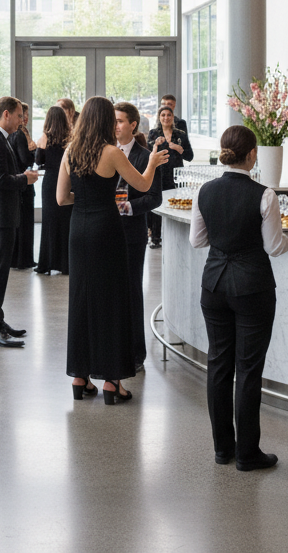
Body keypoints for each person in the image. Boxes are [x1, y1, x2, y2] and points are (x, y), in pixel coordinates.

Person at [189, 124, 288, 471]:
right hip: (252, 288)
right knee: (248, 370)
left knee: (218, 365)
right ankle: (247, 454)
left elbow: (197, 241)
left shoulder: (204, 190)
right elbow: (274, 246)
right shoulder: (265, 195)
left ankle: (223, 449)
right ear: (252, 155)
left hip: (214, 285)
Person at [58, 96, 167, 404]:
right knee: (111, 302)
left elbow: (61, 198)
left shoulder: (70, 151)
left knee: (81, 299)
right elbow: (143, 185)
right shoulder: (111, 152)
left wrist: (84, 200)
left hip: (78, 230)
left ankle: (80, 378)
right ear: (106, 120)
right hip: (106, 229)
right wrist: (153, 163)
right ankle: (111, 381)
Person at [0, 97, 39, 347]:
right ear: (6, 114)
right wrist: (25, 179)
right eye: (18, 116)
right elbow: (0, 180)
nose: (21, 121)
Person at [113, 101, 163, 372]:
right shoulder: (105, 152)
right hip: (106, 232)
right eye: (113, 121)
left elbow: (154, 197)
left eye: (120, 121)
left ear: (133, 125)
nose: (115, 126)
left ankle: (135, 354)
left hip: (131, 233)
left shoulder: (146, 157)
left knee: (132, 293)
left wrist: (128, 207)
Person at [146, 105, 193, 248]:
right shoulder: (154, 134)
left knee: (176, 203)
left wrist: (180, 149)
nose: (166, 118)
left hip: (176, 176)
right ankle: (155, 238)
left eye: (169, 115)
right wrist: (155, 146)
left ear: (173, 117)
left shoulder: (180, 134)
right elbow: (147, 155)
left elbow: (190, 156)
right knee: (157, 204)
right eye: (163, 115)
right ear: (159, 117)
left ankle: (176, 238)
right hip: (158, 174)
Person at [35, 105, 71, 275]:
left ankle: (47, 263)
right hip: (67, 180)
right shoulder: (70, 138)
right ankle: (66, 263)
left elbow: (38, 161)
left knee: (49, 222)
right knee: (66, 221)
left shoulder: (45, 138)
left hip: (50, 182)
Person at [9, 100, 37, 270]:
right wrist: (34, 151)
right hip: (23, 182)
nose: (25, 118)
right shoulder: (20, 134)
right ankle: (23, 259)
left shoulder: (12, 133)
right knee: (25, 223)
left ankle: (18, 258)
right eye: (22, 115)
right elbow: (25, 159)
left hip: (16, 182)